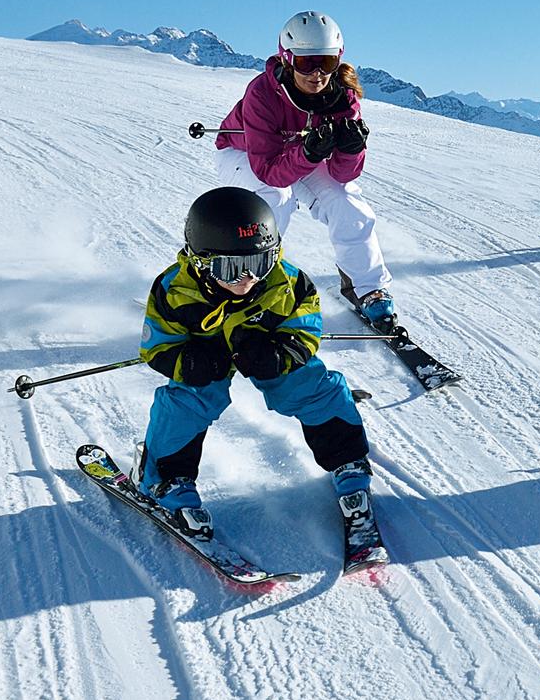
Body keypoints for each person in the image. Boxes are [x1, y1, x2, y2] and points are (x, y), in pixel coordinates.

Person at [135, 187, 376, 543]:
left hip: (264, 348)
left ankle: (349, 461)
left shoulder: (286, 282)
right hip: (207, 356)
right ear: (200, 260)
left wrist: (284, 352)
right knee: (188, 400)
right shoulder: (175, 290)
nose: (247, 280)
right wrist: (188, 362)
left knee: (312, 384)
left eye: (259, 264)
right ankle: (167, 477)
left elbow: (305, 326)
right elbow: (157, 345)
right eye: (231, 269)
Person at [213, 11, 397, 329]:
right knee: (274, 198)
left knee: (347, 202)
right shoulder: (262, 93)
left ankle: (368, 291)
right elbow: (268, 170)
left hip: (303, 156)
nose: (317, 74)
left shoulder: (343, 97)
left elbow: (341, 175)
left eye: (326, 64)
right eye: (305, 63)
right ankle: (238, 283)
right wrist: (309, 153)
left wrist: (352, 150)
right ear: (287, 59)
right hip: (244, 153)